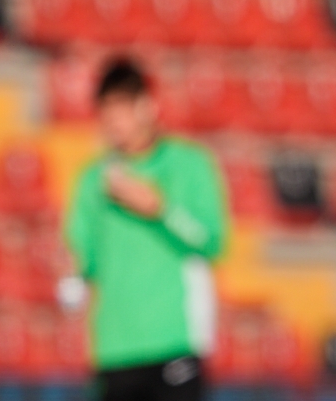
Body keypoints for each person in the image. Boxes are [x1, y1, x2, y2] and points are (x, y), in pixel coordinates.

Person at [65, 59, 229, 401]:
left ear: (147, 107)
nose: (114, 121)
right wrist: (69, 275)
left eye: (122, 109)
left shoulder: (189, 165)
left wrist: (160, 210)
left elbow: (212, 242)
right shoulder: (92, 181)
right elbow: (78, 260)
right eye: (106, 111)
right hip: (115, 348)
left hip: (174, 340)